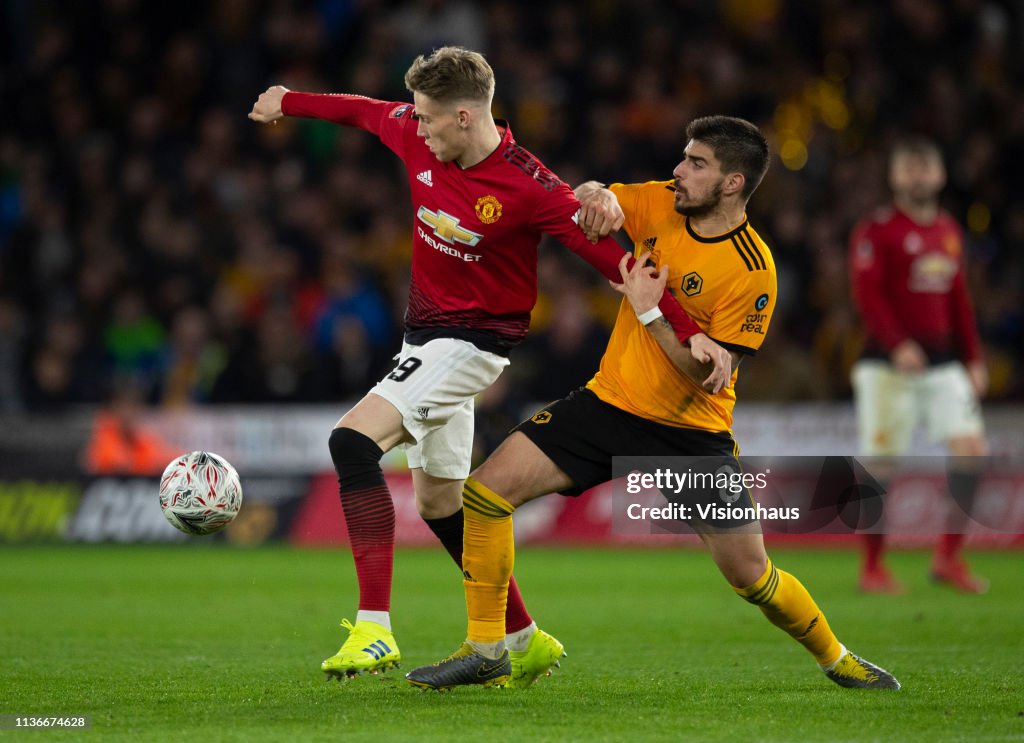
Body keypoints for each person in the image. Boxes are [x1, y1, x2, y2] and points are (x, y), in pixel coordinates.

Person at [248, 47, 732, 685]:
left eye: (427, 119)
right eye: (416, 117)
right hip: (421, 342)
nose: (416, 127)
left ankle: (373, 630)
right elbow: (364, 113)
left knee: (350, 442)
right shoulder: (418, 135)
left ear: (468, 117)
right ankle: (525, 638)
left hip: (474, 347)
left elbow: (618, 263)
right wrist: (290, 100)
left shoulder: (530, 185)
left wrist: (690, 329)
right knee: (442, 503)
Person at [406, 116, 901, 691]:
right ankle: (487, 648)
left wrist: (649, 311)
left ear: (733, 183)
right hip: (608, 403)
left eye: (696, 163)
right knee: (486, 495)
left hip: (689, 434)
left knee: (752, 577)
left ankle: (837, 657)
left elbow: (709, 376)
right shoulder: (661, 201)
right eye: (683, 157)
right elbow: (595, 199)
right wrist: (593, 197)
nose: (678, 170)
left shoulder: (753, 269)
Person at [849, 136, 989, 594]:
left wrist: (974, 357)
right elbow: (868, 296)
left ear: (940, 175)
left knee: (972, 451)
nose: (917, 176)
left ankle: (948, 558)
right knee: (882, 465)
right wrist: (896, 343)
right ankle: (873, 568)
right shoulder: (878, 229)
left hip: (943, 362)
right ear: (894, 177)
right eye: (908, 168)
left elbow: (958, 299)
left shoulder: (948, 230)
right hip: (886, 364)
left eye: (924, 167)